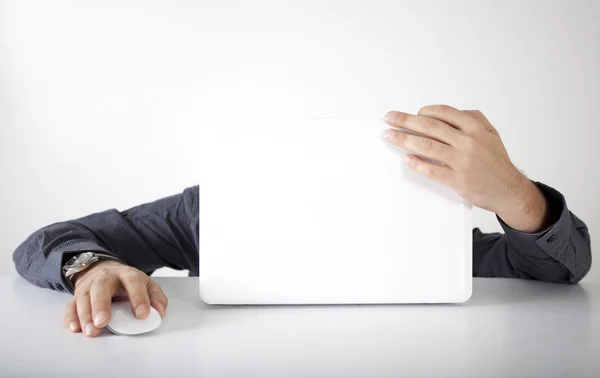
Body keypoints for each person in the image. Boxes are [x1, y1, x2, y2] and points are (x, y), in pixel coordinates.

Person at [13, 105, 592, 338]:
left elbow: (561, 265)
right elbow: (43, 242)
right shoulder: (208, 213)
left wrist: (511, 189)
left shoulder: (424, 222)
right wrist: (93, 266)